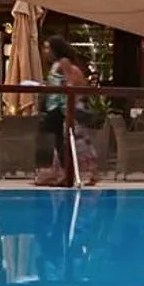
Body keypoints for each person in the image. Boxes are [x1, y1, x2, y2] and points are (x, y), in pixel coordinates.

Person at [36, 37, 97, 187]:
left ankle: (70, 173)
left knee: (69, 141)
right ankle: (65, 173)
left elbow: (70, 83)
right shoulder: (56, 65)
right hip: (59, 108)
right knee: (64, 141)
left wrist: (68, 100)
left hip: (64, 109)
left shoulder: (63, 62)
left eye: (47, 48)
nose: (45, 52)